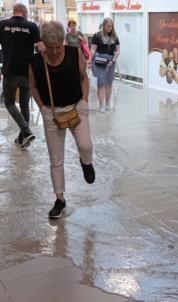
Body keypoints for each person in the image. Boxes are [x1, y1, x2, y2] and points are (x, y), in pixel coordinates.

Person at [29, 21, 95, 219]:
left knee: (86, 145)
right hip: (52, 112)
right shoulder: (35, 62)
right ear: (44, 45)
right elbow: (33, 87)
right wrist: (43, 108)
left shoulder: (74, 54)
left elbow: (84, 78)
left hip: (76, 108)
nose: (55, 52)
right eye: (50, 48)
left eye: (58, 46)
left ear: (63, 42)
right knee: (56, 160)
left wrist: (84, 100)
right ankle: (60, 199)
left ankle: (86, 162)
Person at [0, 4, 45, 147]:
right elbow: (41, 49)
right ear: (25, 13)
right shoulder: (32, 26)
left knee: (9, 103)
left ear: (14, 12)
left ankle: (25, 131)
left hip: (9, 71)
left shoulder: (2, 25)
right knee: (25, 104)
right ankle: (22, 138)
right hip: (27, 72)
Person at [87, 18, 120, 113]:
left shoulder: (115, 37)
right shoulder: (97, 36)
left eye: (111, 26)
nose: (110, 28)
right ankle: (101, 105)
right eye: (108, 26)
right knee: (101, 83)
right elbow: (93, 50)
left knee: (109, 83)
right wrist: (89, 61)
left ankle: (108, 102)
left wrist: (113, 60)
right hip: (99, 61)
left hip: (110, 62)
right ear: (104, 26)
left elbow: (117, 51)